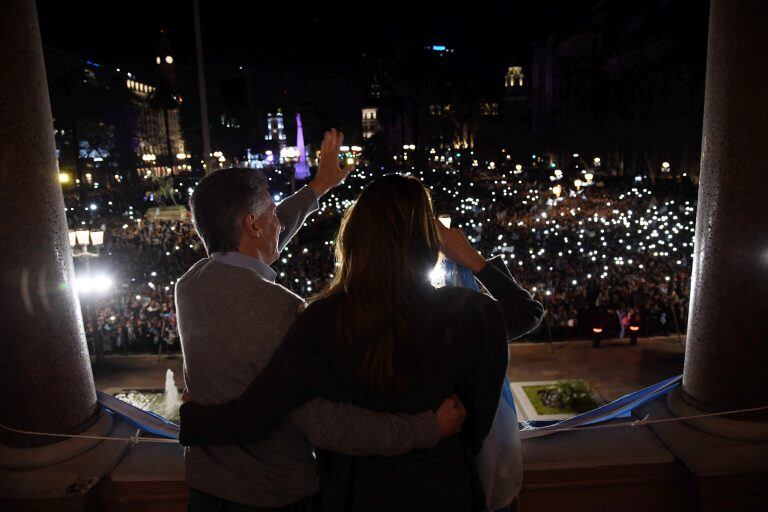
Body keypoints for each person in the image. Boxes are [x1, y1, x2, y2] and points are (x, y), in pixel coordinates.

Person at [180, 174, 544, 511]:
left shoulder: (321, 320)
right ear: (428, 240)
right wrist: (470, 258)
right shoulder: (466, 313)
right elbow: (526, 311)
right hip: (446, 487)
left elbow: (259, 410)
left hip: (356, 494)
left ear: (354, 237)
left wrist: (195, 420)